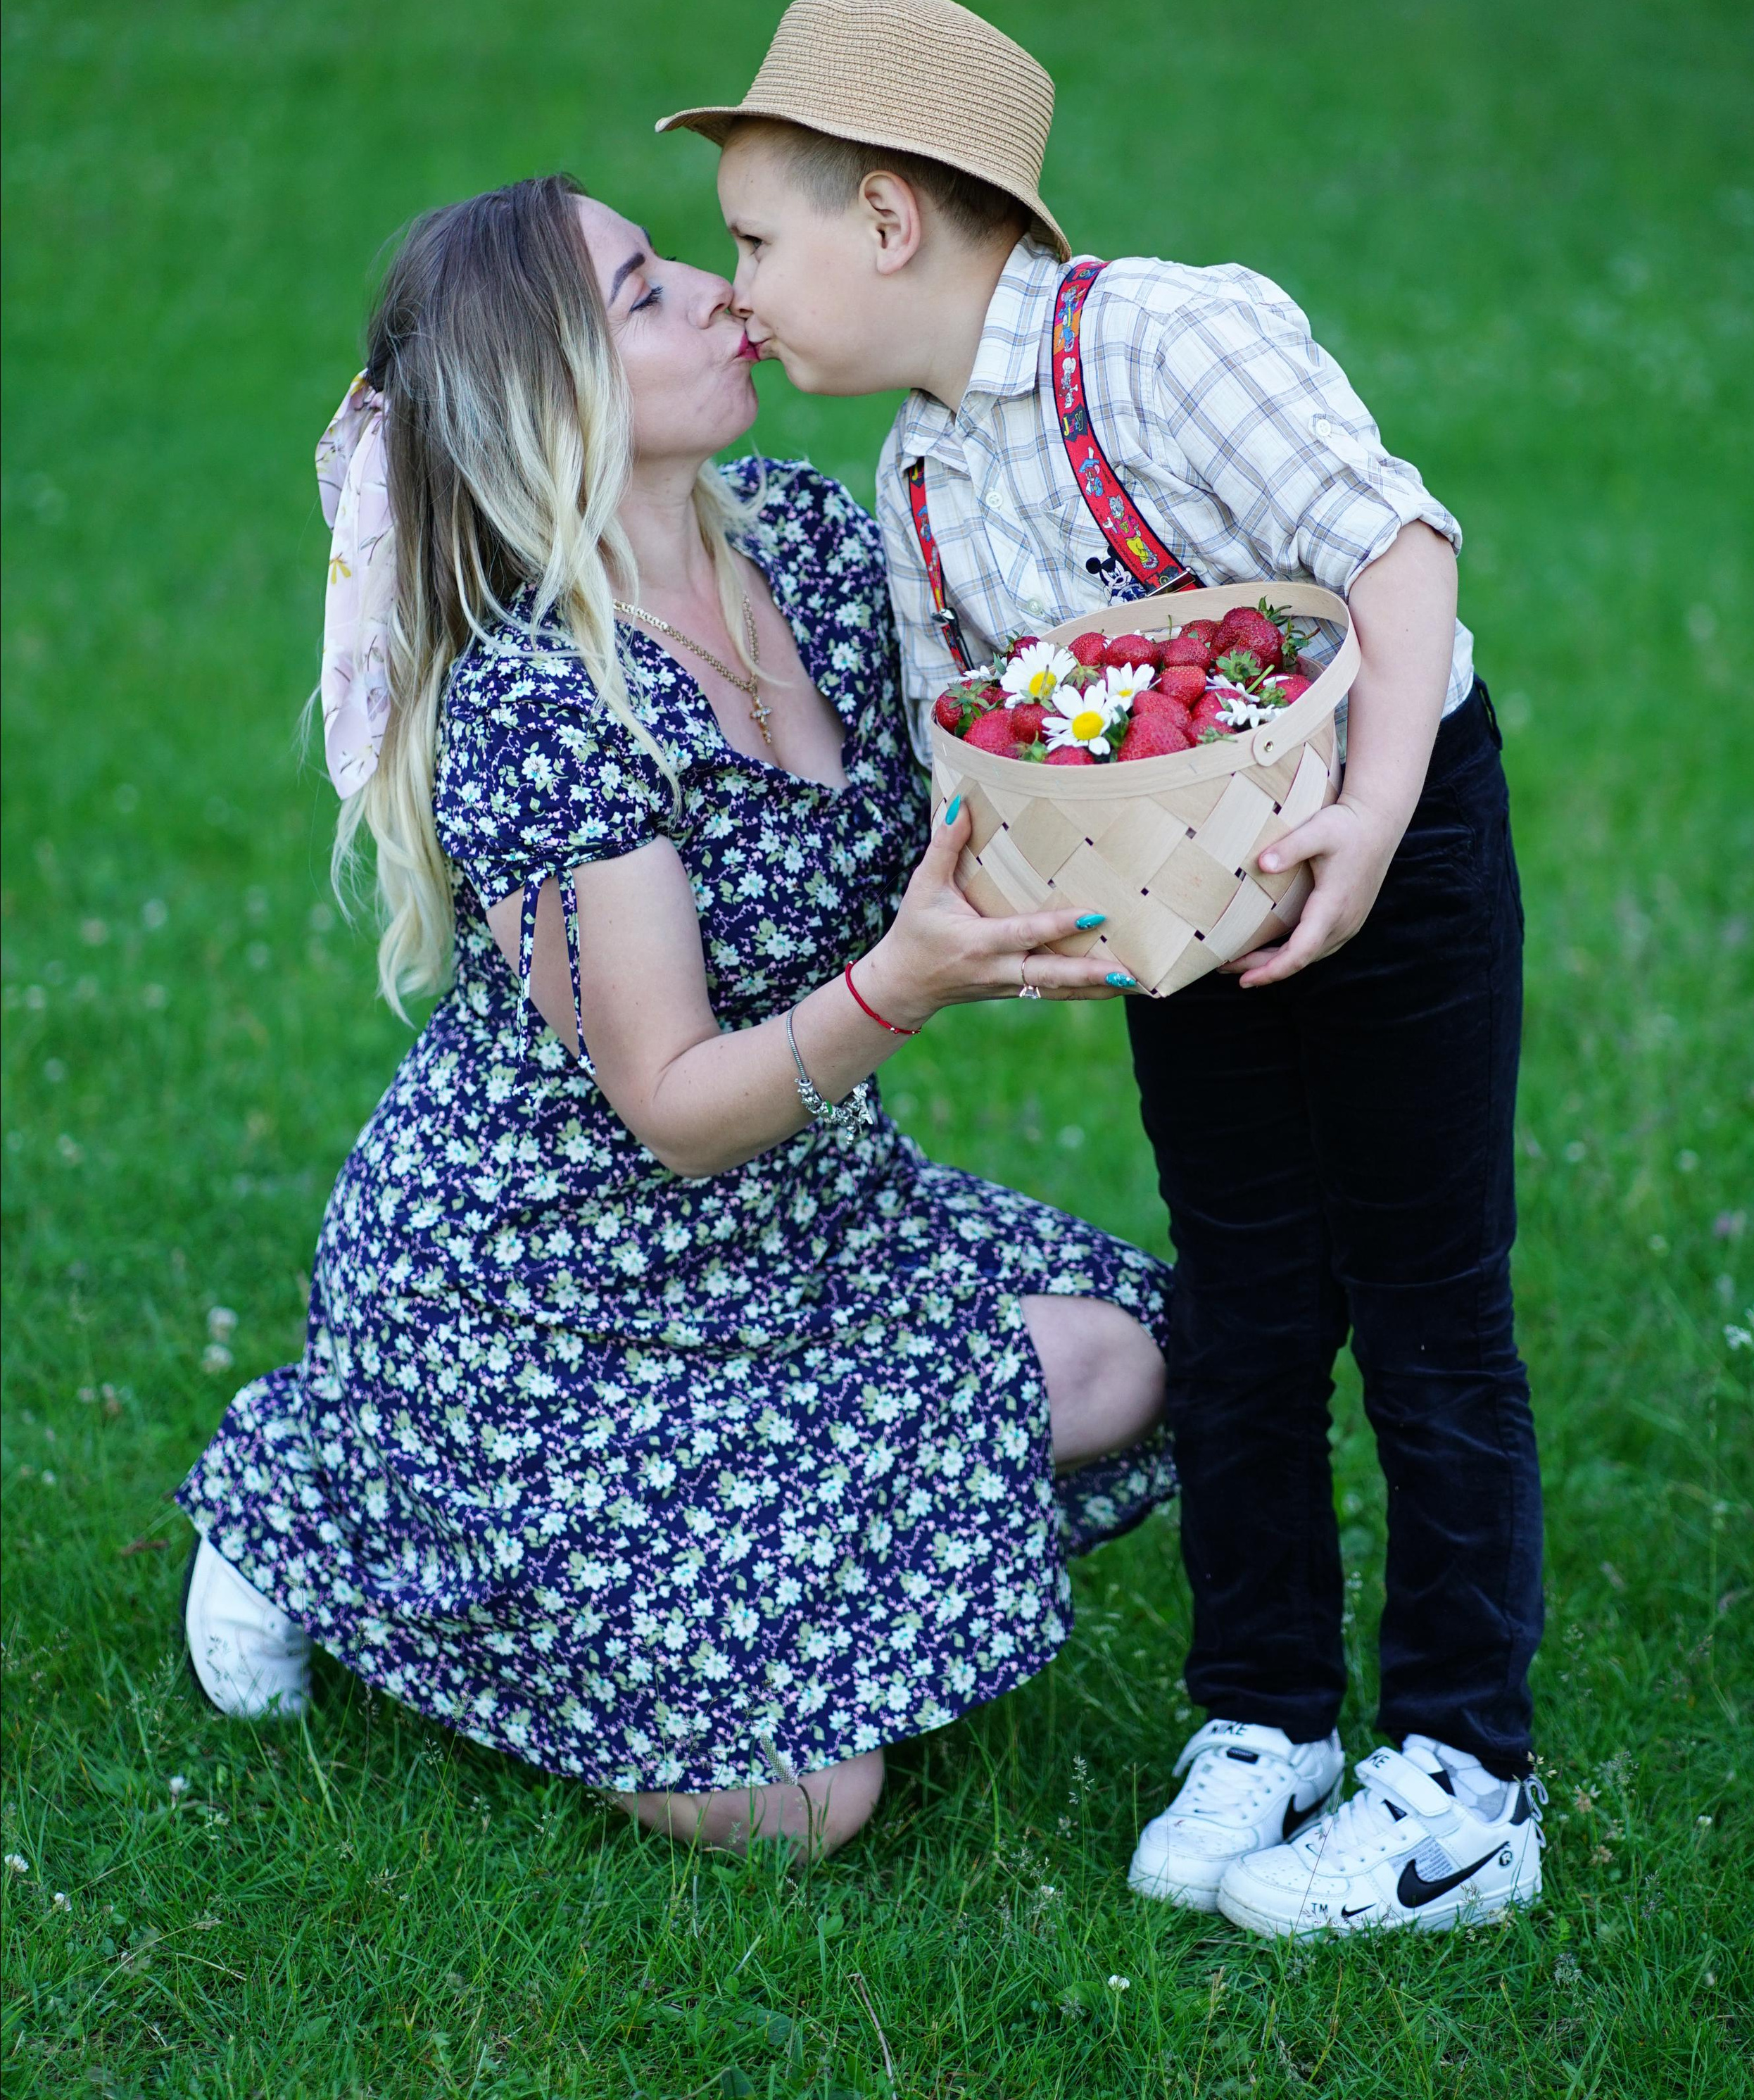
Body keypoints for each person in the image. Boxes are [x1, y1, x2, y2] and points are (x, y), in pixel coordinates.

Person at [656, 0, 1546, 1934]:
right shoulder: (913, 483)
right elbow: (982, 745)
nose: (734, 298)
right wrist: (992, 924)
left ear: (887, 221)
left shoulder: (1170, 337)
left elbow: (1396, 554)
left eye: (751, 242)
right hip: (1181, 906)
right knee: (1242, 1290)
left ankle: (1470, 1773)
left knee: (1423, 1298)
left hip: (1392, 827)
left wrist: (1375, 820)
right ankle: (1268, 1715)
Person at [177, 172, 1173, 1861]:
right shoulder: (535, 699)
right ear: (550, 398)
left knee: (1129, 1359)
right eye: (645, 292)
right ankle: (342, 1501)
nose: (722, 292)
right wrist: (899, 983)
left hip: (800, 1230)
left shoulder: (803, 537)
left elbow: (1012, 732)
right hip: (546, 1309)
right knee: (801, 1804)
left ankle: (746, 1578)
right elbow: (675, 1104)